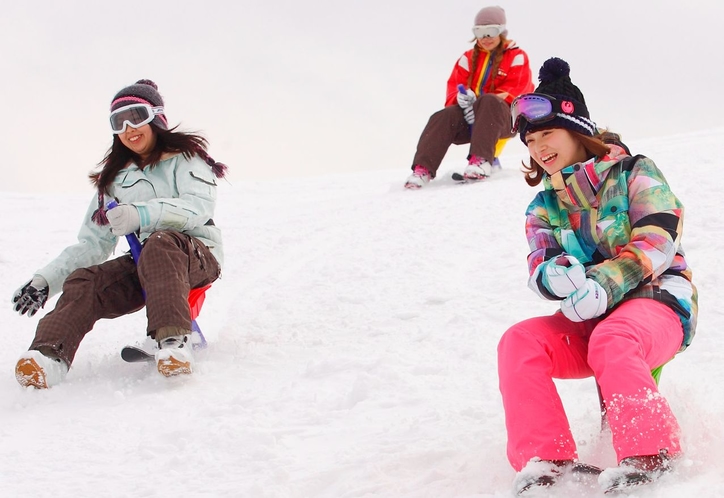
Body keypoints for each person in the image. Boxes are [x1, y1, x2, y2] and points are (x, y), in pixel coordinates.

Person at [497, 58, 698, 495]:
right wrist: (556, 276)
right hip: (589, 318)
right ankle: (546, 458)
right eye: (530, 140)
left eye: (547, 133)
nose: (537, 147)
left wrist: (603, 284)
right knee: (520, 342)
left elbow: (659, 236)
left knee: (614, 338)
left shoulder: (634, 172)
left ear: (576, 129)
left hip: (659, 303)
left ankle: (651, 453)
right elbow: (540, 262)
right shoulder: (542, 206)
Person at [11, 79, 228, 388]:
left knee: (160, 243)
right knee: (86, 281)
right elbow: (92, 244)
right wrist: (46, 281)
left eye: (136, 116)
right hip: (147, 262)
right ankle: (48, 357)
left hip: (196, 254)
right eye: (118, 121)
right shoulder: (114, 181)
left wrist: (140, 214)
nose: (128, 127)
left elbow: (198, 207)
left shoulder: (186, 158)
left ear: (156, 117)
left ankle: (173, 343)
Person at [404, 5, 533, 189]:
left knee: (489, 101)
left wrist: (480, 104)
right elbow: (454, 88)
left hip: (505, 119)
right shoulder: (467, 58)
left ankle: (481, 160)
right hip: (472, 120)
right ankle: (422, 170)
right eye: (480, 32)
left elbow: (518, 89)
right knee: (442, 116)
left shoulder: (516, 56)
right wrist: (460, 99)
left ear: (502, 31)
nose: (485, 38)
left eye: (491, 31)